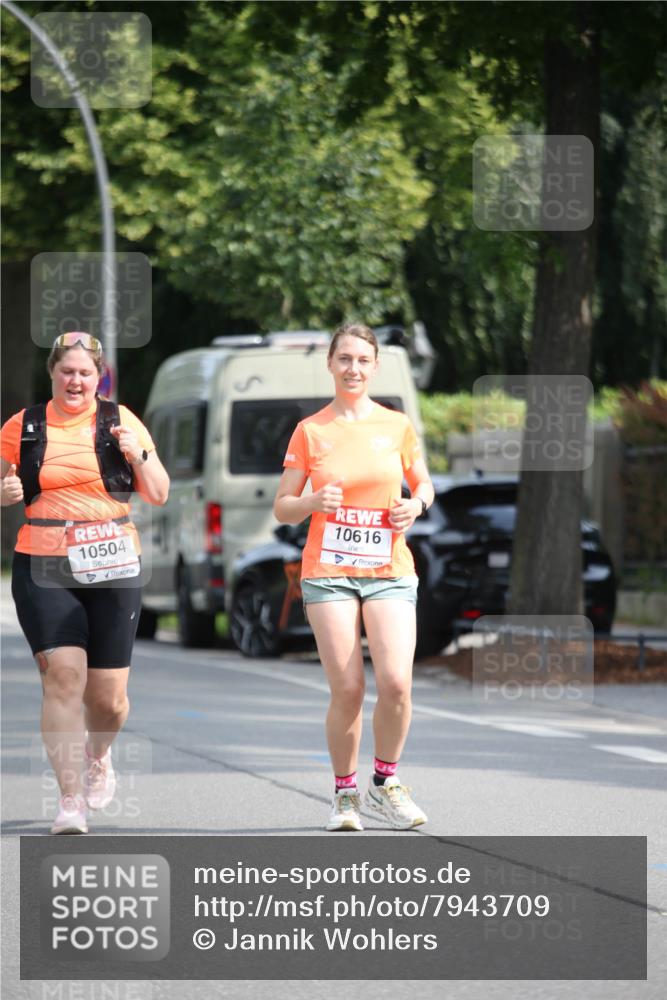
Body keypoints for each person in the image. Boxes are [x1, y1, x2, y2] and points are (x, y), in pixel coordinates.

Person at [1, 332, 169, 834]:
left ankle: (99, 755)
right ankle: (70, 800)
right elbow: (3, 483)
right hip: (44, 561)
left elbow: (158, 492)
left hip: (114, 563)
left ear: (100, 378)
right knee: (63, 679)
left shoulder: (121, 421)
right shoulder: (23, 426)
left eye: (85, 373)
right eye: (67, 371)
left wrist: (138, 455)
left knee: (109, 700)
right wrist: (5, 491)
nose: (75, 381)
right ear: (52, 372)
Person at [274, 323, 434, 831]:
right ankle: (345, 794)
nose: (353, 369)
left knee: (396, 682)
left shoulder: (397, 425)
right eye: (344, 359)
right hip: (330, 573)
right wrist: (312, 502)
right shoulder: (311, 430)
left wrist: (417, 505)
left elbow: (423, 481)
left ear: (375, 367)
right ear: (330, 364)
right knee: (347, 688)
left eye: (363, 360)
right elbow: (283, 507)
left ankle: (385, 784)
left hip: (389, 569)